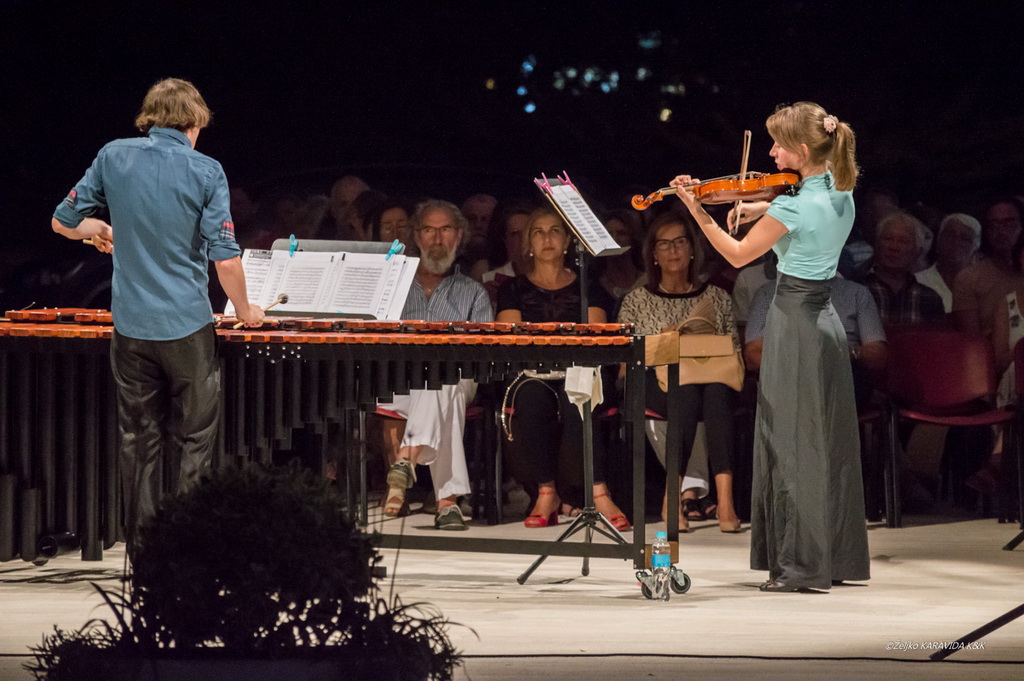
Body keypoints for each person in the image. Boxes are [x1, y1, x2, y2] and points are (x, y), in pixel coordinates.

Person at [50, 78, 265, 549]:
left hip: (129, 327)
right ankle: (188, 544)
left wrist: (101, 226)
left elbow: (62, 222)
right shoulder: (207, 170)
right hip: (187, 326)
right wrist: (247, 310)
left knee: (138, 439)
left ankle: (144, 548)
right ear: (193, 123)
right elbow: (225, 259)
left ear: (150, 119)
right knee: (195, 438)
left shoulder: (112, 155)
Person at [671, 101, 870, 592]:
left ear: (802, 150)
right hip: (823, 319)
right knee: (826, 440)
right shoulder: (842, 191)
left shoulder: (793, 205)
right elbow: (804, 217)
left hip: (793, 320)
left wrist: (697, 209)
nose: (771, 151)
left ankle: (801, 566)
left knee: (792, 439)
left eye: (779, 144)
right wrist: (765, 208)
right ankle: (835, 557)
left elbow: (738, 253)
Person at [496, 207, 629, 530]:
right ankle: (546, 492)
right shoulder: (513, 289)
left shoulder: (589, 286)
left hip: (580, 370)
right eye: (538, 232)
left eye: (554, 230)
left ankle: (598, 491)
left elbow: (594, 336)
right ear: (528, 242)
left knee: (578, 398)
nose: (546, 238)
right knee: (530, 399)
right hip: (533, 373)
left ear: (569, 240)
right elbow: (510, 339)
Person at [617, 212, 742, 533]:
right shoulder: (637, 300)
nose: (673, 250)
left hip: (711, 378)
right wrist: (667, 342)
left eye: (680, 242)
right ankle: (678, 495)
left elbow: (734, 352)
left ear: (692, 250)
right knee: (684, 386)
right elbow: (627, 361)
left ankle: (724, 500)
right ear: (653, 254)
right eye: (664, 244)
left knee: (714, 389)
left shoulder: (717, 297)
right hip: (653, 382)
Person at [377, 200, 492, 531]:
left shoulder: (474, 293)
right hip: (398, 382)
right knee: (442, 393)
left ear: (459, 236)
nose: (437, 238)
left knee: (443, 380)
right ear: (417, 235)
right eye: (429, 230)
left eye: (446, 230)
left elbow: (482, 356)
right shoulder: (394, 288)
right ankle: (448, 503)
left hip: (460, 377)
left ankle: (406, 459)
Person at [952, 198, 1024, 339]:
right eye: (993, 225)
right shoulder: (969, 279)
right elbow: (972, 341)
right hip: (992, 357)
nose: (1001, 231)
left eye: (1009, 224)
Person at [862, 211, 945, 327]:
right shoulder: (855, 290)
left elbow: (936, 342)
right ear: (876, 244)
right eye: (887, 238)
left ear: (918, 252)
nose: (894, 247)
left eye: (903, 241)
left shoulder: (930, 298)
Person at [914, 213, 981, 314]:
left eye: (964, 238)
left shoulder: (985, 285)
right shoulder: (917, 282)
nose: (956, 242)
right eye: (950, 235)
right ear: (938, 242)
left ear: (975, 249)